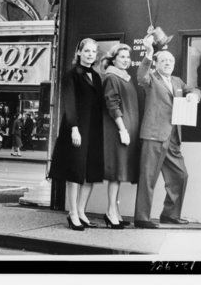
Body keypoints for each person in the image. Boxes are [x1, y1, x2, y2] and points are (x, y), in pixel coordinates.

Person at [134, 35, 201, 229]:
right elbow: (141, 75)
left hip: (173, 137)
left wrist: (194, 96)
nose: (168, 63)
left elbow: (196, 90)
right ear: (156, 63)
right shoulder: (150, 78)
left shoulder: (177, 81)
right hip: (154, 135)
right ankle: (142, 218)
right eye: (163, 60)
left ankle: (170, 215)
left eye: (171, 61)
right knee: (148, 178)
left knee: (180, 176)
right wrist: (148, 54)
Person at [48, 38, 104, 231]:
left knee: (90, 173)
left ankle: (81, 212)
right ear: (79, 52)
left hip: (93, 130)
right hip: (77, 128)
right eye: (87, 51)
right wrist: (74, 128)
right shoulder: (71, 75)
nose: (90, 55)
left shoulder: (96, 76)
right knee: (75, 171)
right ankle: (72, 214)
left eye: (93, 52)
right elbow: (69, 103)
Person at [101, 43, 140, 229]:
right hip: (118, 131)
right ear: (113, 59)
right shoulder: (111, 77)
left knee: (120, 172)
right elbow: (112, 105)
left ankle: (114, 211)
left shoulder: (124, 77)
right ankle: (110, 212)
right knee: (116, 173)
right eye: (122, 57)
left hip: (126, 131)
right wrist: (122, 129)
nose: (126, 60)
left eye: (127, 57)